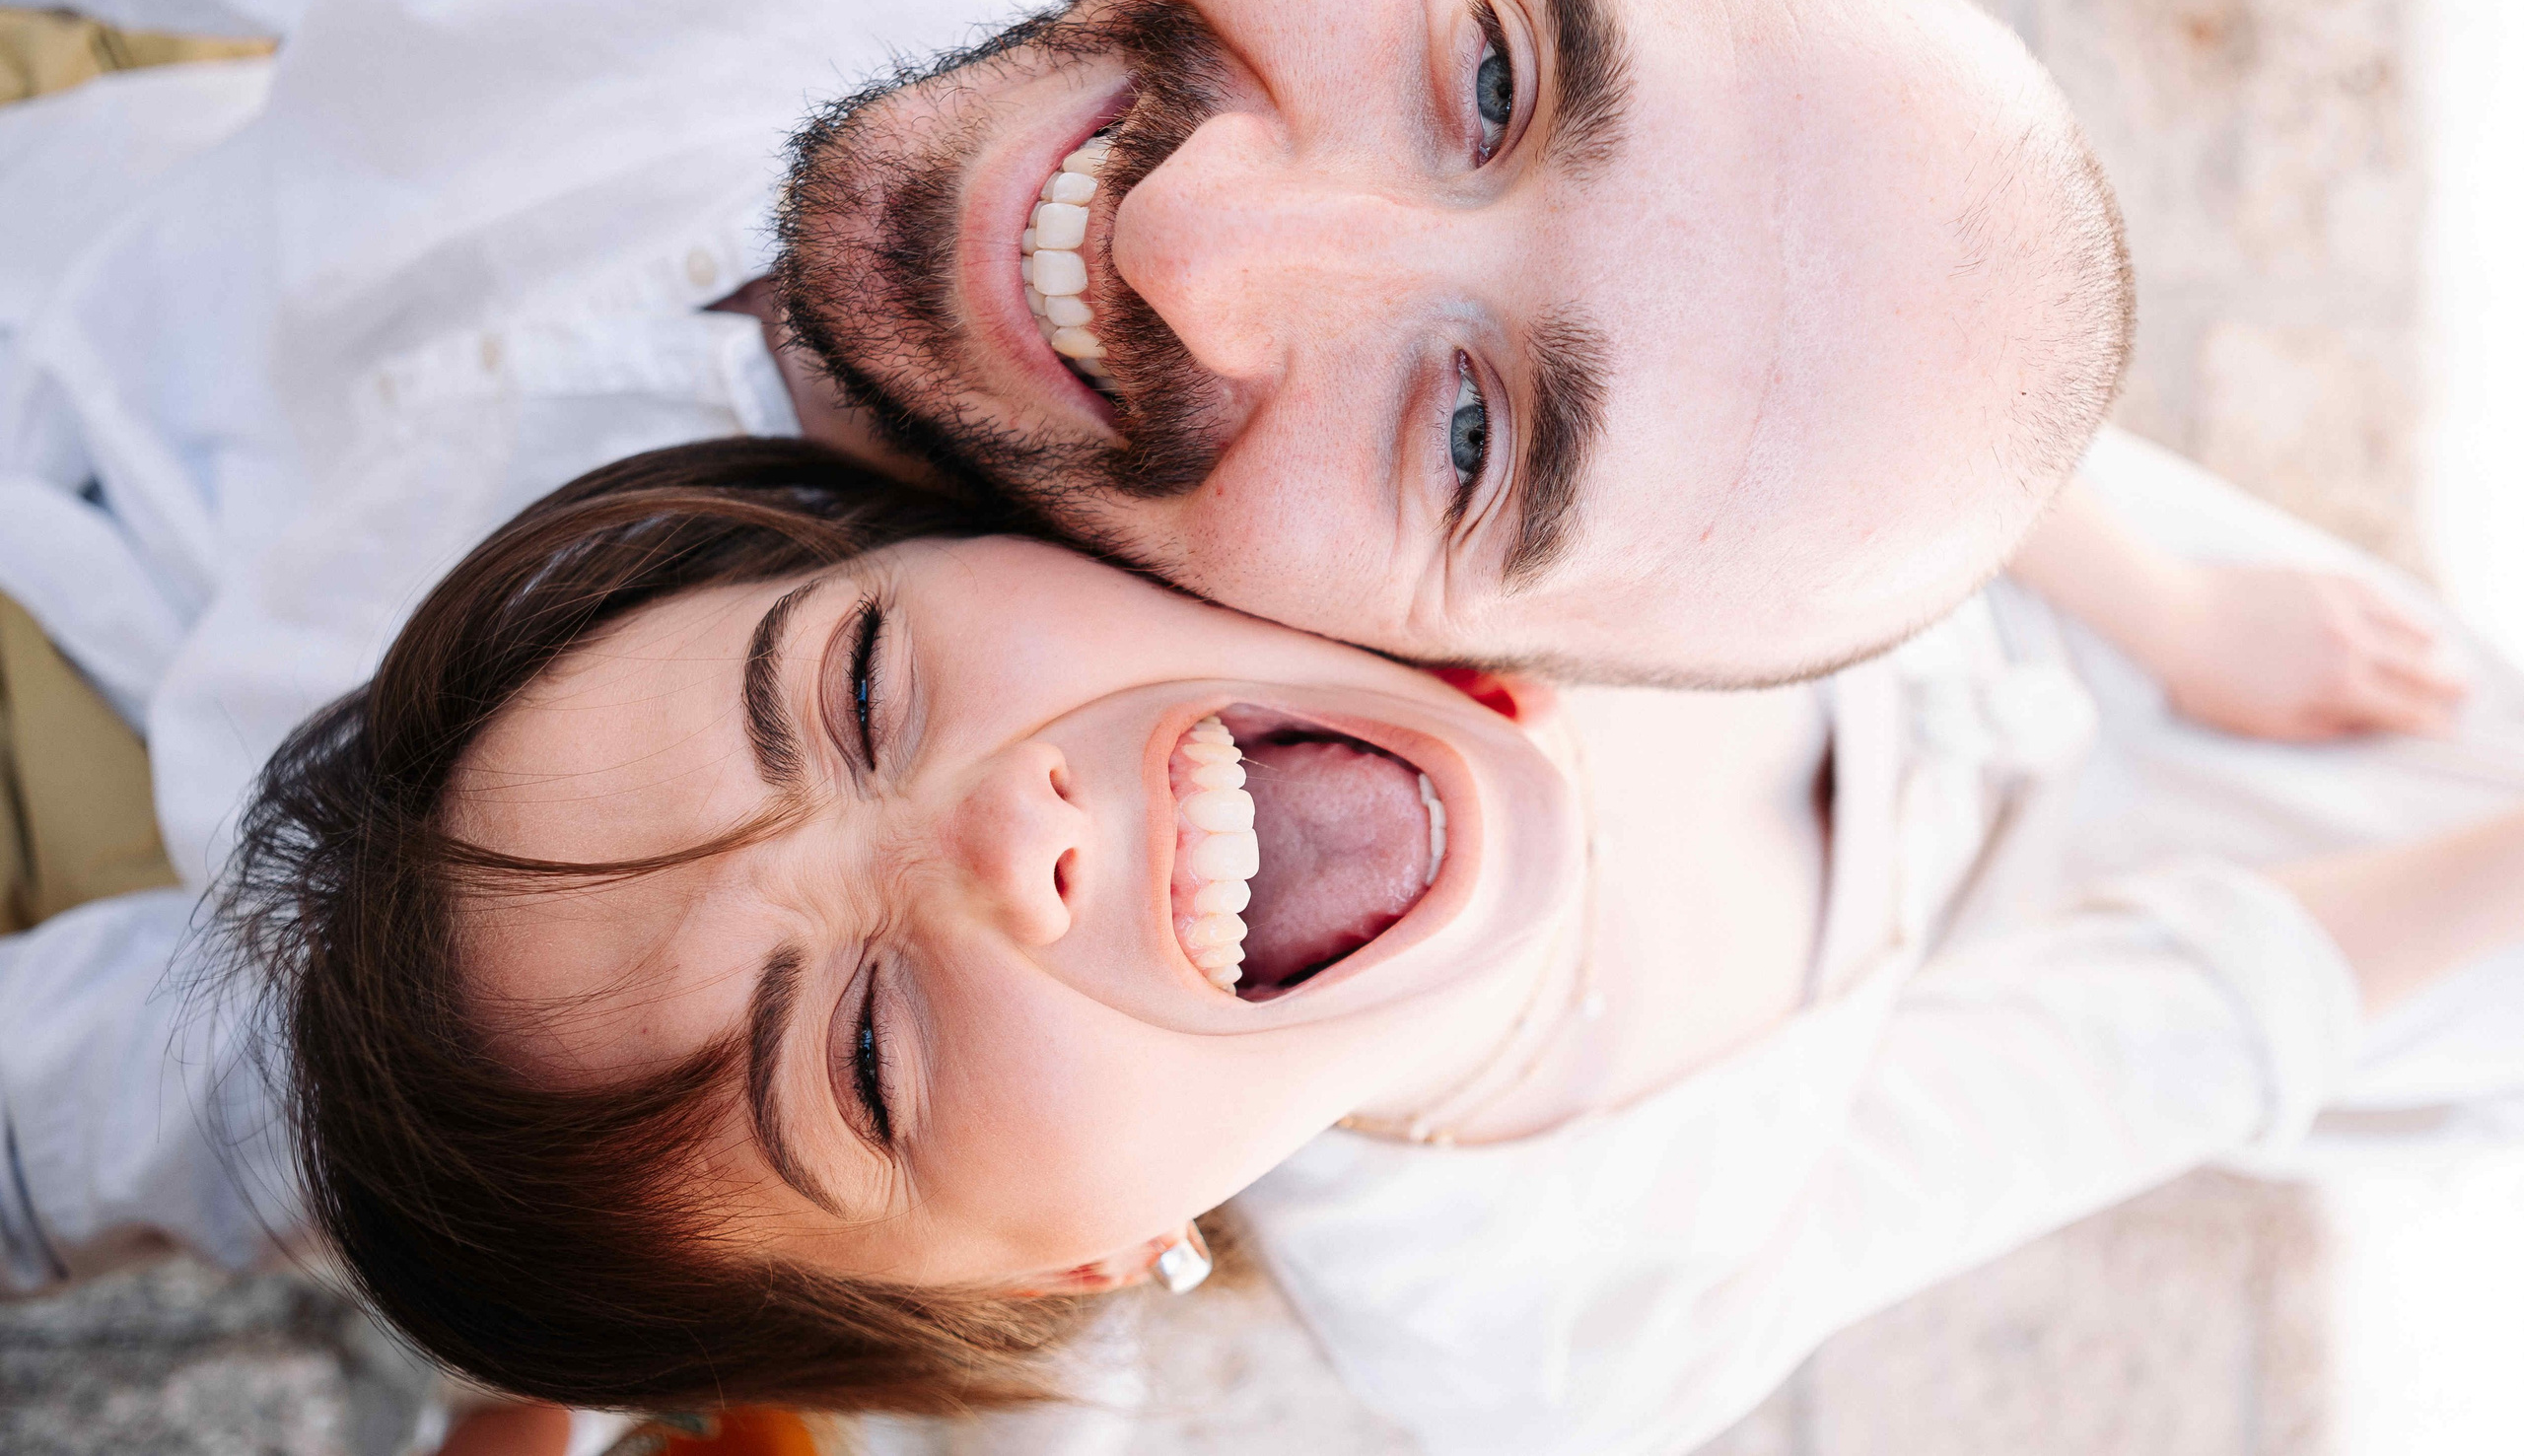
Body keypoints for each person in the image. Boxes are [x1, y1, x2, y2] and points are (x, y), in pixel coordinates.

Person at [209, 432, 2524, 1455]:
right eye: (875, 1058)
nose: (993, 836)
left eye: (859, 691)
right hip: (2330, 929)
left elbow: (1890, 411)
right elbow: (2184, 1027)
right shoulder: (1562, 1310)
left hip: (2128, 646)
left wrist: (2173, 598)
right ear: (1085, 1258)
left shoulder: (1299, 487)